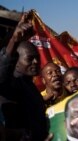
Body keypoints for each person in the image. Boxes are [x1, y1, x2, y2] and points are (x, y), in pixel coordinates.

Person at [0, 11, 50, 140]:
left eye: (37, 58)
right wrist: (14, 40)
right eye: (30, 58)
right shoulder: (11, 82)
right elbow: (2, 72)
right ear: (16, 62)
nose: (36, 62)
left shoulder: (30, 85)